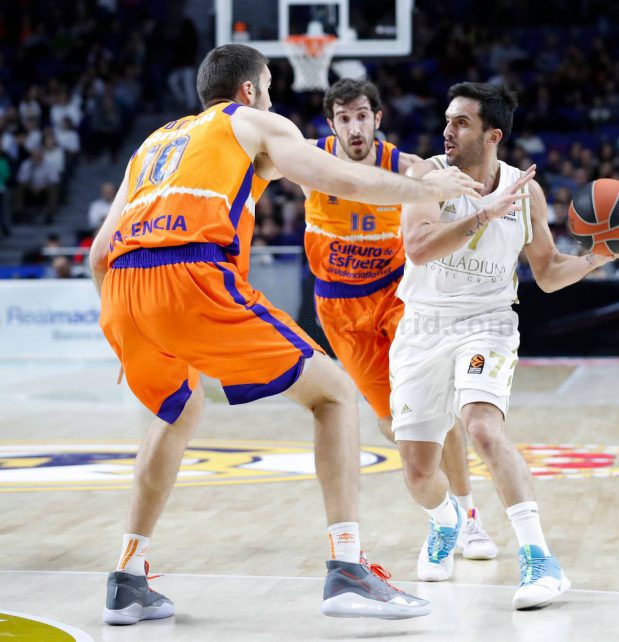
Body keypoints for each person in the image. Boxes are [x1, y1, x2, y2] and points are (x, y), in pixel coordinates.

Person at [89, 44, 482, 626]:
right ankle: (347, 570)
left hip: (123, 290)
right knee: (334, 394)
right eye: (269, 85)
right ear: (249, 90)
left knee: (176, 412)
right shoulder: (254, 121)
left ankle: (127, 577)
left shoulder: (151, 146)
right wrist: (430, 190)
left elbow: (99, 253)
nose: (272, 96)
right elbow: (339, 177)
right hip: (190, 273)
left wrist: (127, 334)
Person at [390, 83, 619, 608]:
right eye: (447, 120)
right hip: (423, 326)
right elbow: (417, 249)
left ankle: (540, 560)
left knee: (482, 425)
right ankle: (446, 521)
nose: (447, 130)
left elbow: (547, 273)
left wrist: (603, 255)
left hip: (488, 321)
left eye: (461, 122)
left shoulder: (525, 192)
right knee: (417, 470)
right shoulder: (425, 177)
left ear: (492, 134)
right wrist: (483, 211)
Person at [303, 78, 497, 564]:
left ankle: (470, 518)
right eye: (344, 118)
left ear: (377, 119)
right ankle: (443, 512)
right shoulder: (310, 161)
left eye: (362, 115)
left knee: (434, 409)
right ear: (331, 125)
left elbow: (460, 185)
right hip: (341, 312)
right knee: (397, 427)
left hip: (398, 297)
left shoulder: (409, 169)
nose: (354, 126)